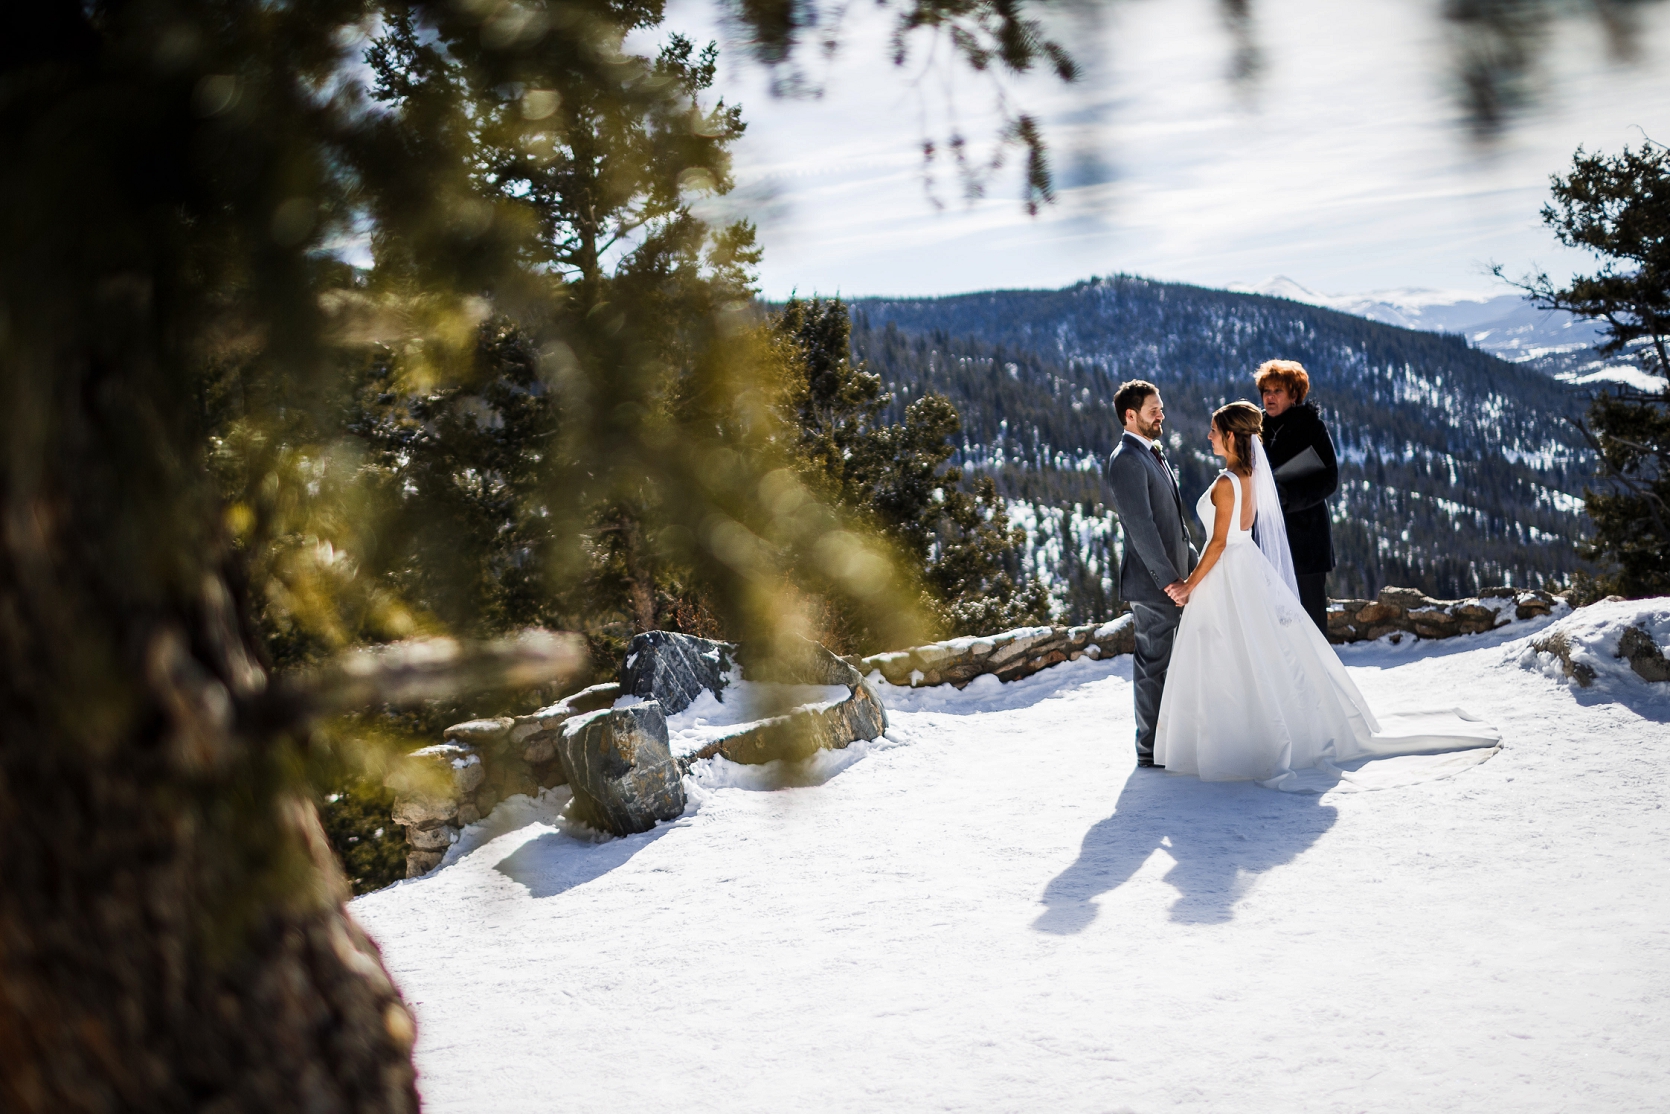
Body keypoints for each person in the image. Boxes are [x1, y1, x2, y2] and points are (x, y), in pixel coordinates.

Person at [1153, 402, 1499, 791]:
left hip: (1227, 570)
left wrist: (1189, 585)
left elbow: (1218, 543)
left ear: (1232, 436)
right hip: (1245, 565)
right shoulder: (1249, 477)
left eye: (1215, 430)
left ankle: (1233, 741)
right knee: (1253, 652)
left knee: (1229, 652)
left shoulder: (1226, 483)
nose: (1209, 436)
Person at [1104, 380, 1198, 769]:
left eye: (1161, 407)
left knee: (1172, 663)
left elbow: (1172, 523)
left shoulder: (1150, 453)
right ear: (1131, 415)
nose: (1162, 415)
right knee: (1153, 666)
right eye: (1154, 409)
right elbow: (1140, 527)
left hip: (1176, 576)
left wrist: (1193, 564)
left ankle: (1170, 739)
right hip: (1155, 584)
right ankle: (1150, 749)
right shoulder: (1126, 459)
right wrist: (1168, 581)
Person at [1254, 359, 1338, 633]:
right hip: (1268, 540)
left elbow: (1329, 479)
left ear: (1294, 394)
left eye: (1277, 391)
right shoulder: (1256, 430)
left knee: (1312, 622)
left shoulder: (1312, 426)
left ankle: (1318, 677)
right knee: (1277, 624)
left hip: (1307, 539)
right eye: (1266, 391)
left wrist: (1289, 497)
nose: (1269, 397)